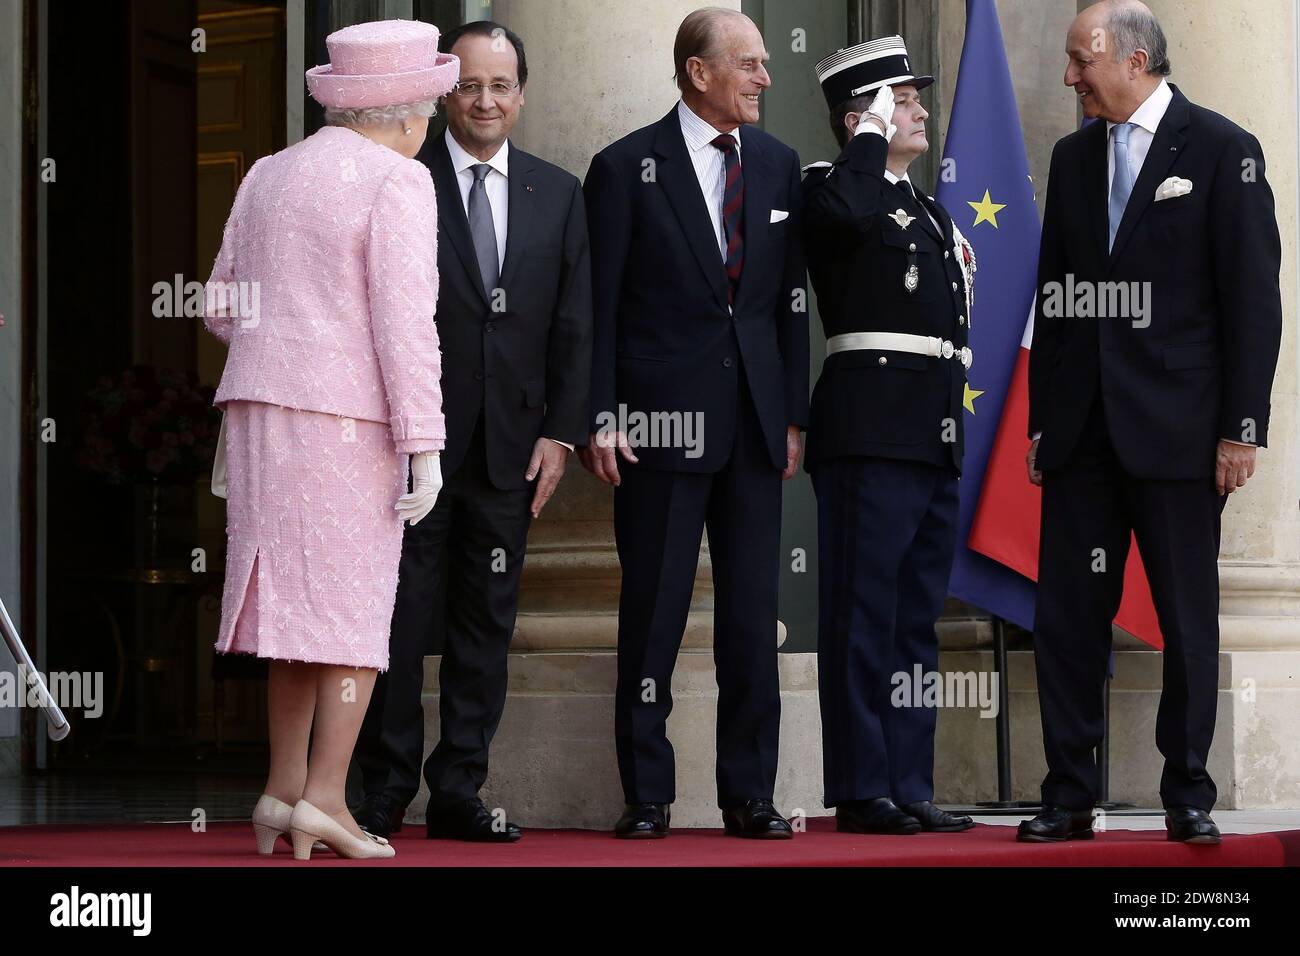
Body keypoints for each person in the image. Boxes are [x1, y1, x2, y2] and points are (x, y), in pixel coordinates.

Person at [1019, 0, 1282, 844]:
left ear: (1134, 60)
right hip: (1082, 432)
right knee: (1065, 618)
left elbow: (1252, 302)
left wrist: (1242, 428)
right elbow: (1055, 298)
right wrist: (1043, 419)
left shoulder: (1224, 150)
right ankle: (1068, 794)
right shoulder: (1070, 156)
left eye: (1080, 61)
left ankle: (1188, 792)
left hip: (1180, 430)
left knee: (1186, 616)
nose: (1070, 78)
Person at [202, 19, 459, 860]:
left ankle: (280, 791)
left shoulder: (268, 172)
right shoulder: (398, 181)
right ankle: (323, 800)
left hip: (258, 412)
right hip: (349, 419)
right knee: (349, 615)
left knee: (288, 612)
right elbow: (405, 327)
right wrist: (426, 440)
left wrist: (282, 351)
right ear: (405, 111)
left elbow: (218, 307)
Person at [352, 20, 592, 844]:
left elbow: (575, 323)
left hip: (510, 449)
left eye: (500, 85)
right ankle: (380, 789)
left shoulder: (559, 194)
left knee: (486, 621)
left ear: (522, 94)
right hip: (411, 447)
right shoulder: (397, 180)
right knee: (398, 618)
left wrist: (561, 432)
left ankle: (459, 788)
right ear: (442, 92)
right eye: (468, 85)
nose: (485, 101)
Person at [580, 7, 808, 839]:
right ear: (698, 73)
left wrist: (791, 417)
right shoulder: (623, 166)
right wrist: (598, 415)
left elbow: (789, 306)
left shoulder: (779, 165)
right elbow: (596, 308)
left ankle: (749, 795)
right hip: (654, 425)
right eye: (748, 64)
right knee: (654, 611)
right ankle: (648, 796)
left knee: (752, 617)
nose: (764, 76)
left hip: (753, 424)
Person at [801, 36, 975, 835]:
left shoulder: (930, 210)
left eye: (912, 99)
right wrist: (869, 137)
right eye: (900, 101)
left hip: (934, 431)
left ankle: (910, 781)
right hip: (870, 430)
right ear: (858, 117)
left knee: (913, 620)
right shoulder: (832, 187)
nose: (918, 111)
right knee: (862, 614)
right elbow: (843, 219)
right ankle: (863, 786)